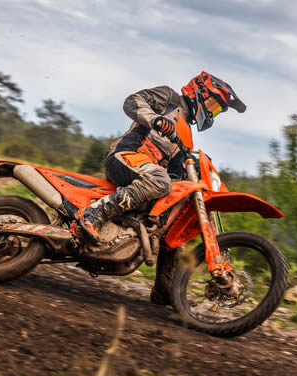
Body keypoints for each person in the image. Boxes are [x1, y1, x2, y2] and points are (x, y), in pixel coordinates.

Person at [79, 71, 246, 304]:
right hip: (126, 156)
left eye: (217, 110)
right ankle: (95, 214)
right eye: (213, 105)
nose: (211, 112)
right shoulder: (169, 99)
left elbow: (176, 175)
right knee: (160, 180)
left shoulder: (186, 136)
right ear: (199, 92)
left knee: (172, 218)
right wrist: (155, 119)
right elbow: (132, 102)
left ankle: (167, 290)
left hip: (148, 176)